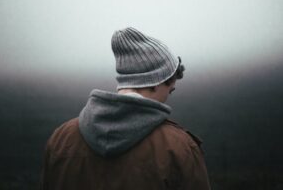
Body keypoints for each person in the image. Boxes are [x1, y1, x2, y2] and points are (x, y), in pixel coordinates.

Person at [40, 27, 211, 190]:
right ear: (156, 82)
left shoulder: (60, 139)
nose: (167, 100)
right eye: (170, 91)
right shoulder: (179, 147)